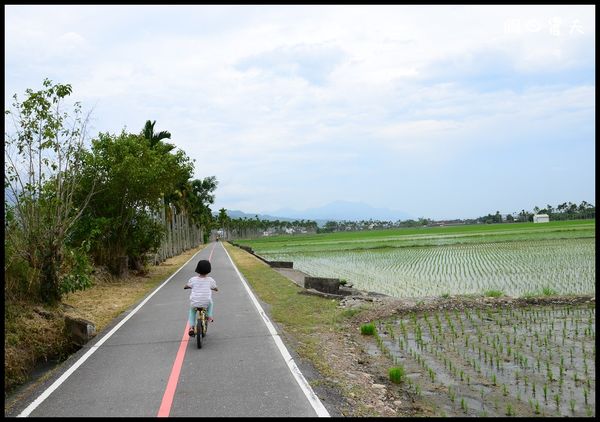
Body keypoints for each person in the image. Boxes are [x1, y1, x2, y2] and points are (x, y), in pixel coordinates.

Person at [184, 259, 218, 337]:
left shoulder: (193, 279)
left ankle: (192, 328)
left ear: (197, 269)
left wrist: (186, 287)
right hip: (206, 302)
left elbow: (186, 286)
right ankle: (209, 315)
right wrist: (215, 289)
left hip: (195, 303)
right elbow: (215, 288)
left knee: (192, 312)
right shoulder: (210, 280)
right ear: (209, 270)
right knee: (210, 303)